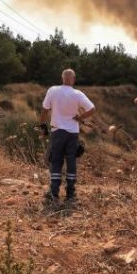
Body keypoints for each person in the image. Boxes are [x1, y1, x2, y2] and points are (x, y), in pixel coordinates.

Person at [40, 68, 95, 203]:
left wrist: (43, 127)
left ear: (62, 78)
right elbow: (92, 109)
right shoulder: (78, 94)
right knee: (71, 161)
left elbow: (45, 110)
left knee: (56, 161)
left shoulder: (53, 90)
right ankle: (70, 195)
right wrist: (80, 117)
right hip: (73, 133)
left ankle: (54, 194)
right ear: (74, 79)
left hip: (58, 132)